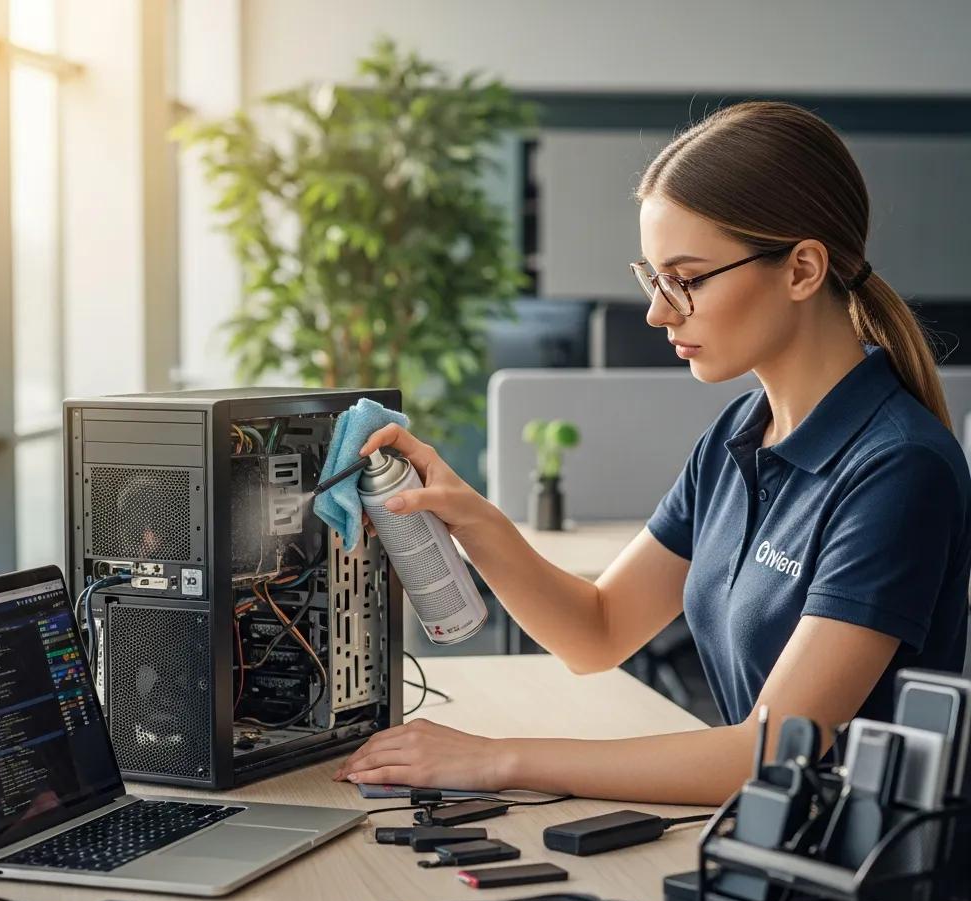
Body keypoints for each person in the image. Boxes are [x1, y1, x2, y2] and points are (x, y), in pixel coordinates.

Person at [333, 100, 971, 805]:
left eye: (687, 279)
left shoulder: (899, 468)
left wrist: (496, 761)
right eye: (655, 278)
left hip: (859, 886)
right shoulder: (739, 436)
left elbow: (769, 752)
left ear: (802, 270)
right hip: (760, 851)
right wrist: (468, 517)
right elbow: (597, 633)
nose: (659, 311)